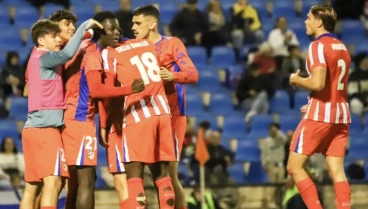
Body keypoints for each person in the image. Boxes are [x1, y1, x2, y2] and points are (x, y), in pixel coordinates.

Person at [61, 11, 144, 209]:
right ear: (100, 32)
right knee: (86, 182)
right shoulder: (92, 54)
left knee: (74, 183)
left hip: (72, 117)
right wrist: (129, 90)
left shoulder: (82, 48)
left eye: (118, 29)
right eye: (112, 29)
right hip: (80, 120)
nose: (117, 32)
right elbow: (97, 90)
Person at [19, 18, 102, 209]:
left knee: (32, 187)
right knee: (53, 182)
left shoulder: (34, 58)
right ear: (40, 40)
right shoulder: (45, 57)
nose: (58, 39)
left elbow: (26, 90)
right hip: (46, 130)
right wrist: (85, 26)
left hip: (31, 129)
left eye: (58, 35)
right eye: (53, 36)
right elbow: (67, 53)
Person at [131, 5, 199, 209]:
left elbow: (193, 74)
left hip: (172, 114)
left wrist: (173, 76)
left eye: (138, 23)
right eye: (132, 23)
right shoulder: (135, 46)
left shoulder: (172, 44)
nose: (133, 27)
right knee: (155, 174)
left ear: (152, 24)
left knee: (169, 172)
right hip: (147, 114)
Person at [288, 4, 351, 209]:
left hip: (320, 115)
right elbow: (333, 84)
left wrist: (296, 79)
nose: (305, 21)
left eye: (308, 18)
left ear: (319, 22)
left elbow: (317, 83)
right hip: (341, 115)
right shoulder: (342, 48)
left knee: (294, 167)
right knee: (337, 171)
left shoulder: (317, 46)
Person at [102, 37, 176, 208]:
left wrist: (105, 123)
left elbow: (107, 89)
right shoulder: (147, 44)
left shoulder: (109, 52)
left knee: (134, 177)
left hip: (137, 115)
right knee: (163, 175)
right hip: (163, 112)